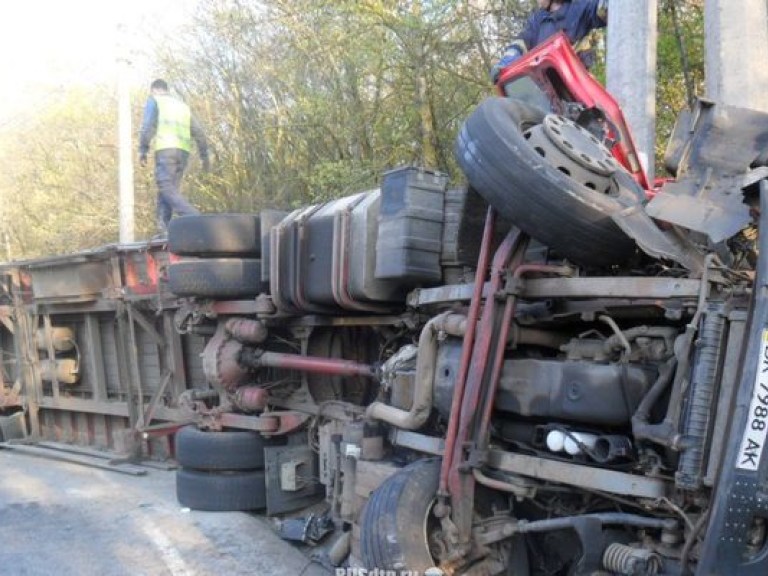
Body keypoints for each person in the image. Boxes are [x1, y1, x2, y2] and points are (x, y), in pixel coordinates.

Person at [139, 79, 210, 235]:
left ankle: (193, 216)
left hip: (166, 149)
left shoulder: (155, 101)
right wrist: (205, 155)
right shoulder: (182, 107)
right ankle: (164, 229)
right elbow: (198, 131)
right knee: (169, 190)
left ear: (154, 90)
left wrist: (143, 149)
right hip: (183, 153)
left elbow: (147, 126)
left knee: (165, 186)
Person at [491, 0, 608, 83]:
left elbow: (605, 8)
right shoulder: (537, 20)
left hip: (578, 82)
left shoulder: (580, 9)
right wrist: (505, 64)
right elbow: (521, 42)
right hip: (547, 88)